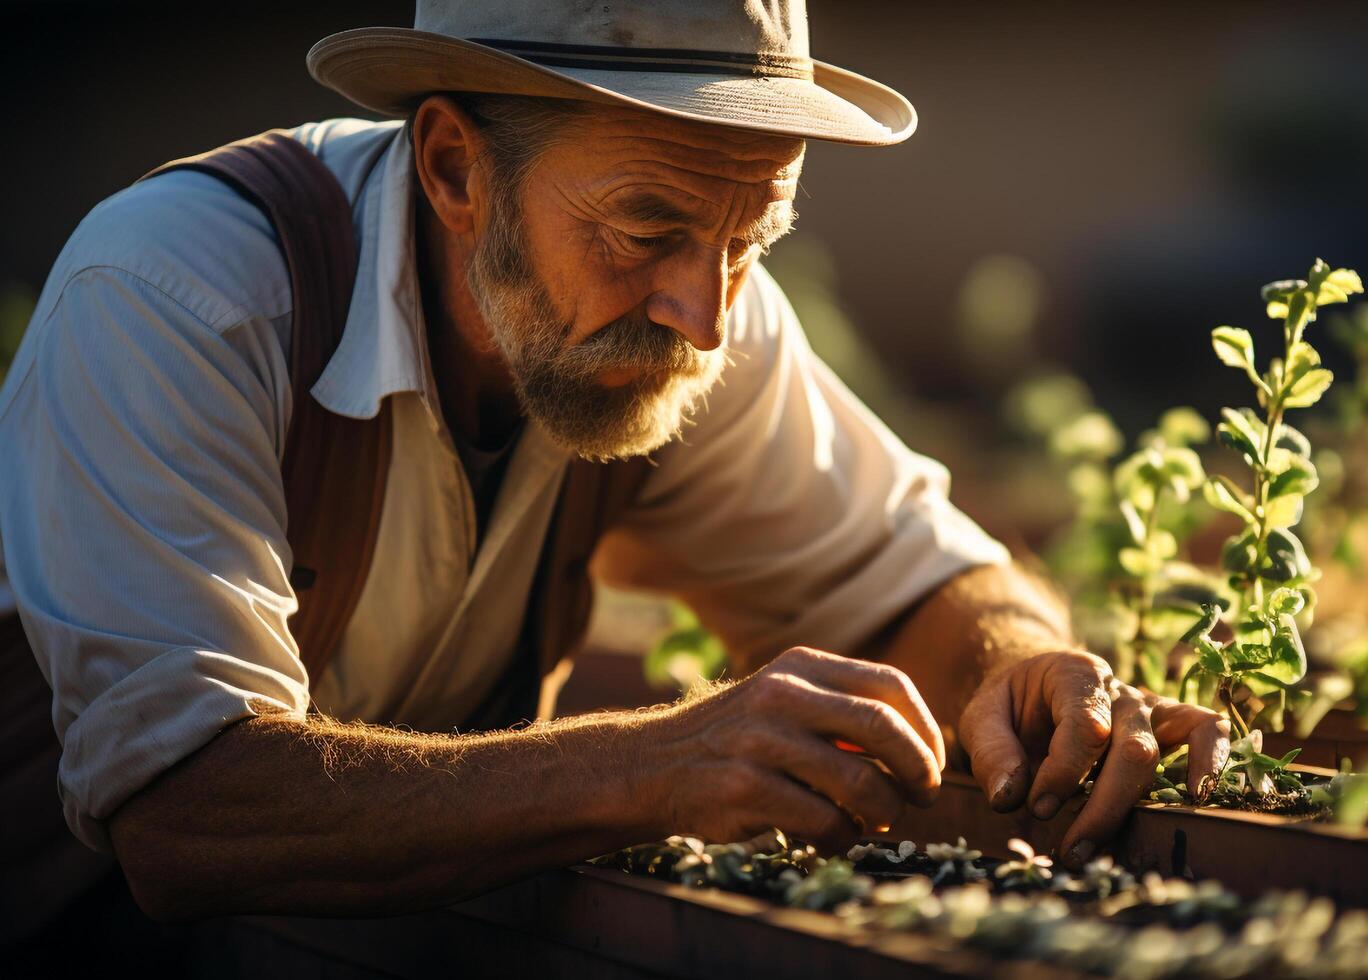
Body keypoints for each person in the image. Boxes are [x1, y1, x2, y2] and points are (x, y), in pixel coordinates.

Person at [0, 0, 1229, 926]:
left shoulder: (686, 313)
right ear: (454, 170)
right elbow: (183, 807)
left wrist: (1025, 669)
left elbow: (910, 580)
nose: (704, 309)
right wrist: (650, 761)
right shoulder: (182, 297)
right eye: (646, 230)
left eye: (751, 235)